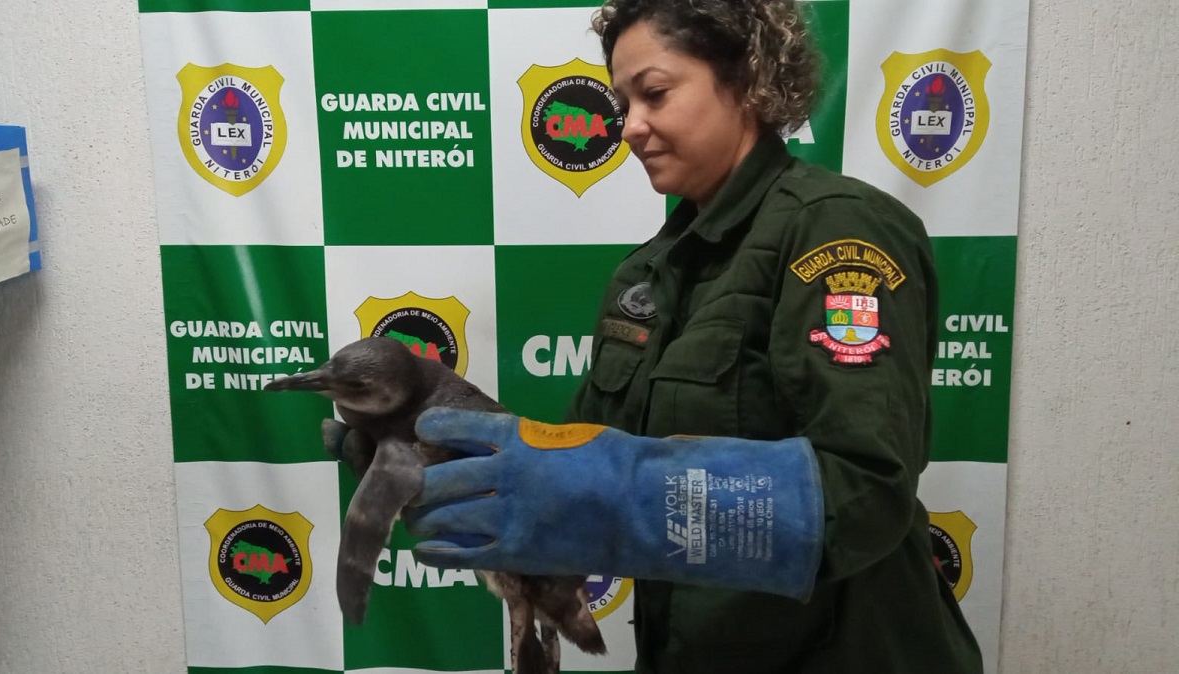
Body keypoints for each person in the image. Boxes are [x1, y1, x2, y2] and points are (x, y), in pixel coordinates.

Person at [399, 0, 985, 671]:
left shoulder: (836, 231)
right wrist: (434, 440)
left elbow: (864, 491)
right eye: (622, 103)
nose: (628, 129)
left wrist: (620, 497)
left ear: (745, 78)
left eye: (654, 94)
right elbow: (575, 467)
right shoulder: (647, 273)